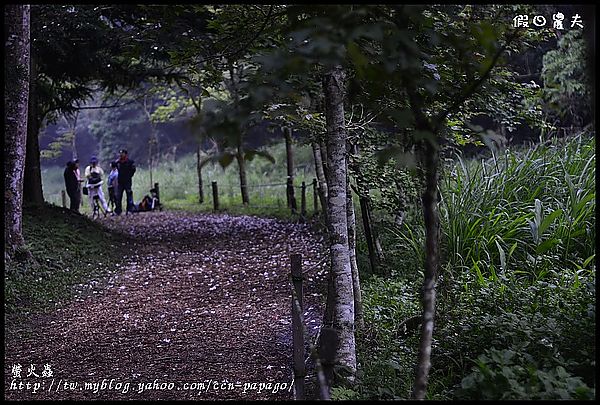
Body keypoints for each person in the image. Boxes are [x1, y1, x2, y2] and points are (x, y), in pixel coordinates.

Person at [114, 149, 136, 215]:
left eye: (122, 153)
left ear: (125, 154)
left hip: (127, 181)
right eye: (120, 153)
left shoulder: (130, 162)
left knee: (129, 195)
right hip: (120, 182)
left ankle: (129, 210)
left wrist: (129, 176)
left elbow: (133, 170)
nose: (121, 155)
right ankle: (118, 210)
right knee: (118, 196)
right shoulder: (118, 162)